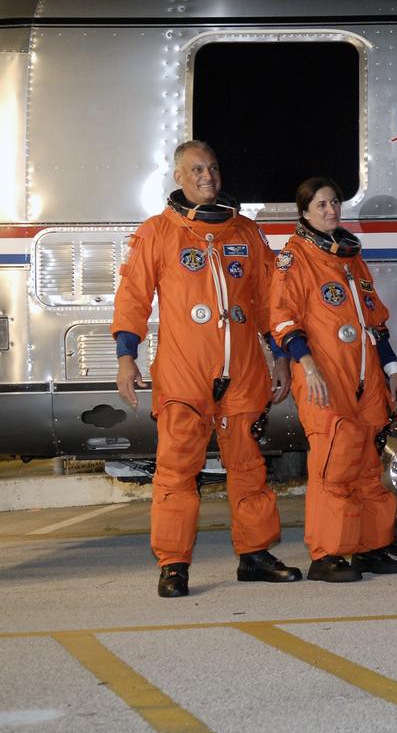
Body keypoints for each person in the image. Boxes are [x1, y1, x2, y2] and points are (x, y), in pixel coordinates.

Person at [112, 140, 301, 597]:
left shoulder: (246, 234)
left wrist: (280, 356)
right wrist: (125, 356)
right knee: (176, 471)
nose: (207, 177)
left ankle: (254, 554)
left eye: (213, 168)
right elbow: (134, 296)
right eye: (196, 169)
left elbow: (268, 300)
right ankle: (174, 565)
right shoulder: (158, 232)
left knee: (249, 467)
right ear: (178, 176)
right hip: (184, 373)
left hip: (244, 371)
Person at [270, 177, 397, 582]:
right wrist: (307, 366)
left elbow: (374, 323)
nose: (331, 210)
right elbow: (281, 319)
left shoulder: (350, 259)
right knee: (335, 464)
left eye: (334, 202)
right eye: (321, 205)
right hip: (325, 377)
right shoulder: (294, 259)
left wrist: (393, 371)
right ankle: (328, 554)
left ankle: (370, 548)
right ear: (305, 213)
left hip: (366, 378)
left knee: (368, 463)